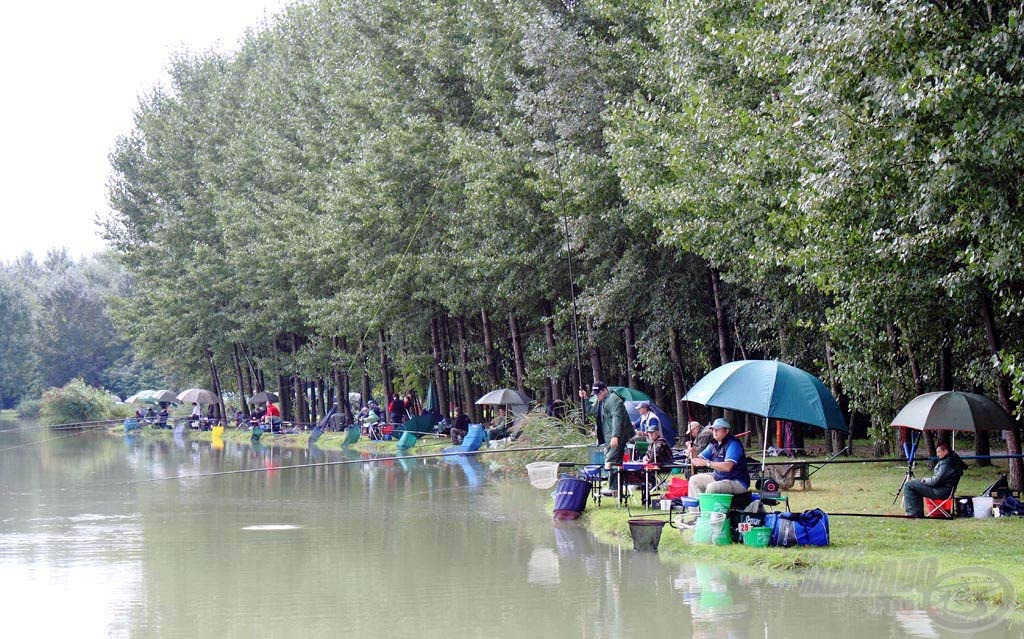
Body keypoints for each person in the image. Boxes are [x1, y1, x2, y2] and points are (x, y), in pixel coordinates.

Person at [579, 381, 635, 496]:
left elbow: (617, 418)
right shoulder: (601, 401)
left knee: (610, 461)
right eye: (595, 394)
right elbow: (590, 411)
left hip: (617, 436)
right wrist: (585, 398)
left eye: (598, 393)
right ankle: (614, 489)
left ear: (605, 390)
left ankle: (615, 488)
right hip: (608, 437)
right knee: (613, 463)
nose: (597, 396)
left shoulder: (614, 400)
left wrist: (616, 436)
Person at [686, 417, 751, 497]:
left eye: (718, 429)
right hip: (718, 478)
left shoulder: (733, 444)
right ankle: (696, 509)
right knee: (693, 480)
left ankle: (709, 509)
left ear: (726, 431)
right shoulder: (713, 444)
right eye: (713, 429)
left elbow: (728, 467)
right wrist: (692, 452)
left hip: (737, 482)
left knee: (713, 487)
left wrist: (707, 463)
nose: (714, 431)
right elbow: (697, 461)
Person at [904, 442, 965, 518]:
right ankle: (916, 513)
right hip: (944, 489)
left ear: (945, 451)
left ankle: (912, 513)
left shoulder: (947, 463)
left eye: (939, 452)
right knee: (915, 484)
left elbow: (936, 481)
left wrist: (925, 480)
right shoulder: (952, 460)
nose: (937, 454)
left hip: (941, 491)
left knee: (909, 485)